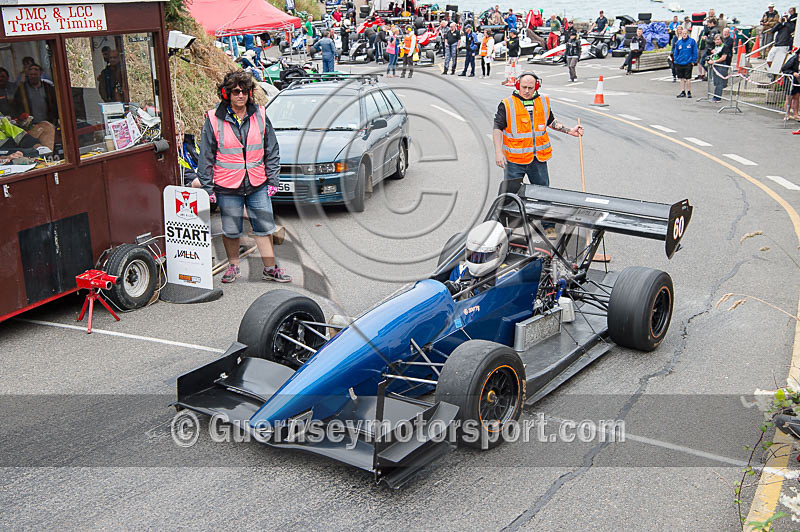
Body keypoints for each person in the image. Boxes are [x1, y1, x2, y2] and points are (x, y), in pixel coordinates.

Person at [198, 70, 290, 284]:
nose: (240, 95)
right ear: (226, 93)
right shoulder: (213, 119)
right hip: (227, 185)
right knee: (231, 230)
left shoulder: (260, 114)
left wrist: (273, 180)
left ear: (250, 93)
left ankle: (270, 269)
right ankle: (233, 266)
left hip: (257, 182)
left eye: (245, 91)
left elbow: (272, 150)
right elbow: (206, 156)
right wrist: (207, 187)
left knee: (264, 228)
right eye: (235, 91)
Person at [492, 71, 584, 239]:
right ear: (518, 85)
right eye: (524, 87)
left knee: (544, 195)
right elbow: (497, 128)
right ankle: (507, 229)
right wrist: (498, 152)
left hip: (538, 159)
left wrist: (569, 130)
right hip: (514, 160)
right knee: (510, 196)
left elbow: (551, 121)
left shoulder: (543, 102)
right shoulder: (507, 104)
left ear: (537, 87)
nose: (526, 91)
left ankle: (548, 226)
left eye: (530, 88)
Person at [444, 220, 509, 299]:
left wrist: (469, 290)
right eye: (473, 255)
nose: (476, 259)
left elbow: (496, 299)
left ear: (500, 250)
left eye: (484, 256)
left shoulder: (507, 275)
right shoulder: (461, 269)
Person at [673, 26, 698, 98]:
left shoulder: (692, 41)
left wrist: (693, 60)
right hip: (680, 62)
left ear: (687, 34)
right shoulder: (678, 42)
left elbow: (695, 52)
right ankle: (683, 91)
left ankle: (689, 91)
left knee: (688, 78)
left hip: (688, 62)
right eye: (683, 33)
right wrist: (676, 60)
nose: (684, 35)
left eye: (685, 33)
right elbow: (676, 52)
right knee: (681, 78)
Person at [707, 34, 731, 101]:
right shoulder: (716, 47)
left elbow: (723, 57)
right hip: (715, 66)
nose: (717, 41)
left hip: (721, 66)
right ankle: (716, 96)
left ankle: (717, 98)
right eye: (715, 40)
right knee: (716, 82)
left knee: (719, 82)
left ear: (721, 40)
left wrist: (714, 61)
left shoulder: (725, 47)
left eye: (718, 39)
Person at [781, 47, 800, 119]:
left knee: (797, 97)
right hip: (790, 80)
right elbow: (784, 69)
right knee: (789, 97)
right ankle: (787, 114)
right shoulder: (794, 59)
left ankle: (796, 114)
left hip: (798, 81)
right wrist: (792, 73)